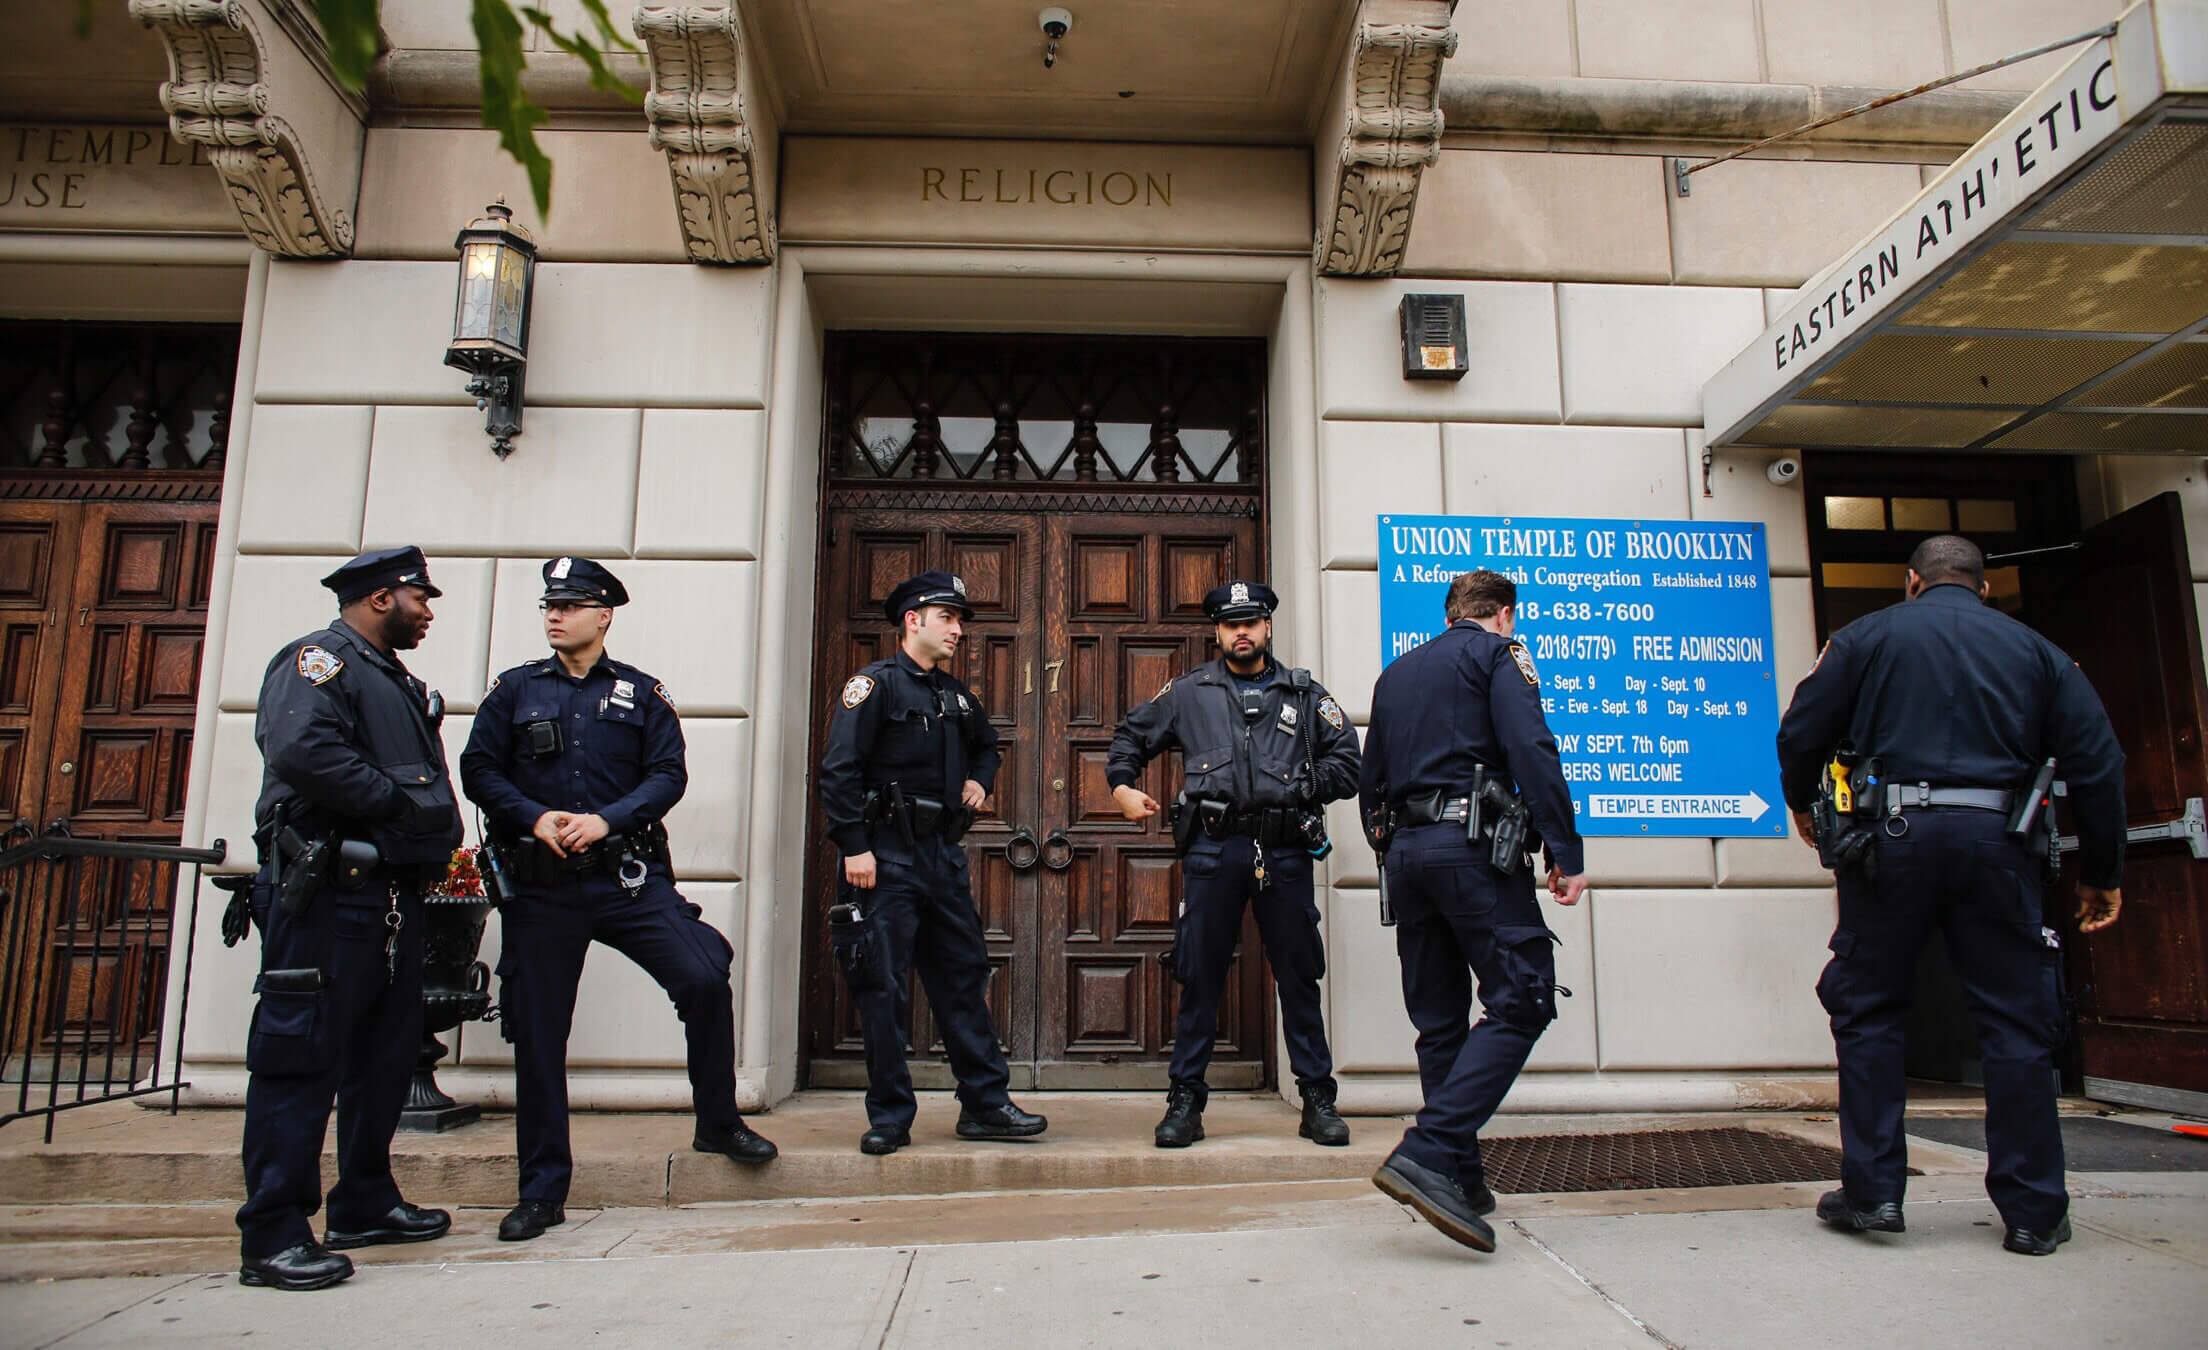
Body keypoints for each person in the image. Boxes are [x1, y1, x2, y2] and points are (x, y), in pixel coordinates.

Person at [1777, 534, 2126, 1257]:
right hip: (2000, 843)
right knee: (2014, 1024)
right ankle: (2032, 1211)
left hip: (1890, 842)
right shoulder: (2038, 652)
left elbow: (1800, 731)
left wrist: (1803, 805)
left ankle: (1873, 1194)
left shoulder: (1864, 639)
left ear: (1911, 582)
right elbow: (2098, 763)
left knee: (1869, 1009)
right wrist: (2104, 870)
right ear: (1984, 587)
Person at [461, 557, 777, 1243]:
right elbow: (478, 769)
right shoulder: (513, 692)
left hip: (625, 878)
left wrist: (607, 819)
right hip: (543, 886)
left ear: (603, 615)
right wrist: (533, 817)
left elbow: (669, 774)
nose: (555, 615)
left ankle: (717, 1121)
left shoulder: (641, 694)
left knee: (702, 974)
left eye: (571, 605)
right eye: (550, 604)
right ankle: (543, 1191)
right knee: (540, 1033)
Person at [235, 546, 462, 1290]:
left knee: (384, 1057)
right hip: (330, 896)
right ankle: (272, 1233)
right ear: (379, 598)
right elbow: (302, 751)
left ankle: (364, 1200)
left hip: (389, 900)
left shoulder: (390, 676)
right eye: (419, 599)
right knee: (300, 1062)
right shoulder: (317, 661)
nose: (427, 612)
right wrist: (398, 805)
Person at [1358, 568, 1588, 1253]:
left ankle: (1459, 1180)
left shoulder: (1395, 674)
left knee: (1438, 1023)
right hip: (1473, 851)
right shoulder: (1498, 655)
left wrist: (1398, 850)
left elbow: (1371, 784)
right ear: (1504, 615)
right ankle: (1430, 1150)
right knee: (1523, 998)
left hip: (1406, 855)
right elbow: (1532, 750)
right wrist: (1563, 849)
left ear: (1451, 611)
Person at [1107, 579, 1361, 1150]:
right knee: (1199, 975)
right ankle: (1185, 1102)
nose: (1241, 632)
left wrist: (1302, 787)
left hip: (1284, 852)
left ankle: (1317, 1098)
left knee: (1298, 974)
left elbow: (1349, 761)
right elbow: (1129, 737)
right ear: (1217, 631)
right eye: (1230, 623)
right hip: (1213, 852)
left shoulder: (1303, 694)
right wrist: (1122, 787)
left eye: (1251, 622)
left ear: (1268, 627)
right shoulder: (1189, 691)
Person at [817, 570, 1048, 1155]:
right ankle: (891, 1116)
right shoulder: (874, 688)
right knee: (883, 987)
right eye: (947, 617)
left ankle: (985, 1105)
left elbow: (986, 746)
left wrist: (979, 780)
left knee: (963, 978)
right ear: (912, 621)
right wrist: (854, 848)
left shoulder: (956, 697)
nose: (958, 629)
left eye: (960, 619)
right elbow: (838, 771)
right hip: (885, 857)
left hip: (941, 859)